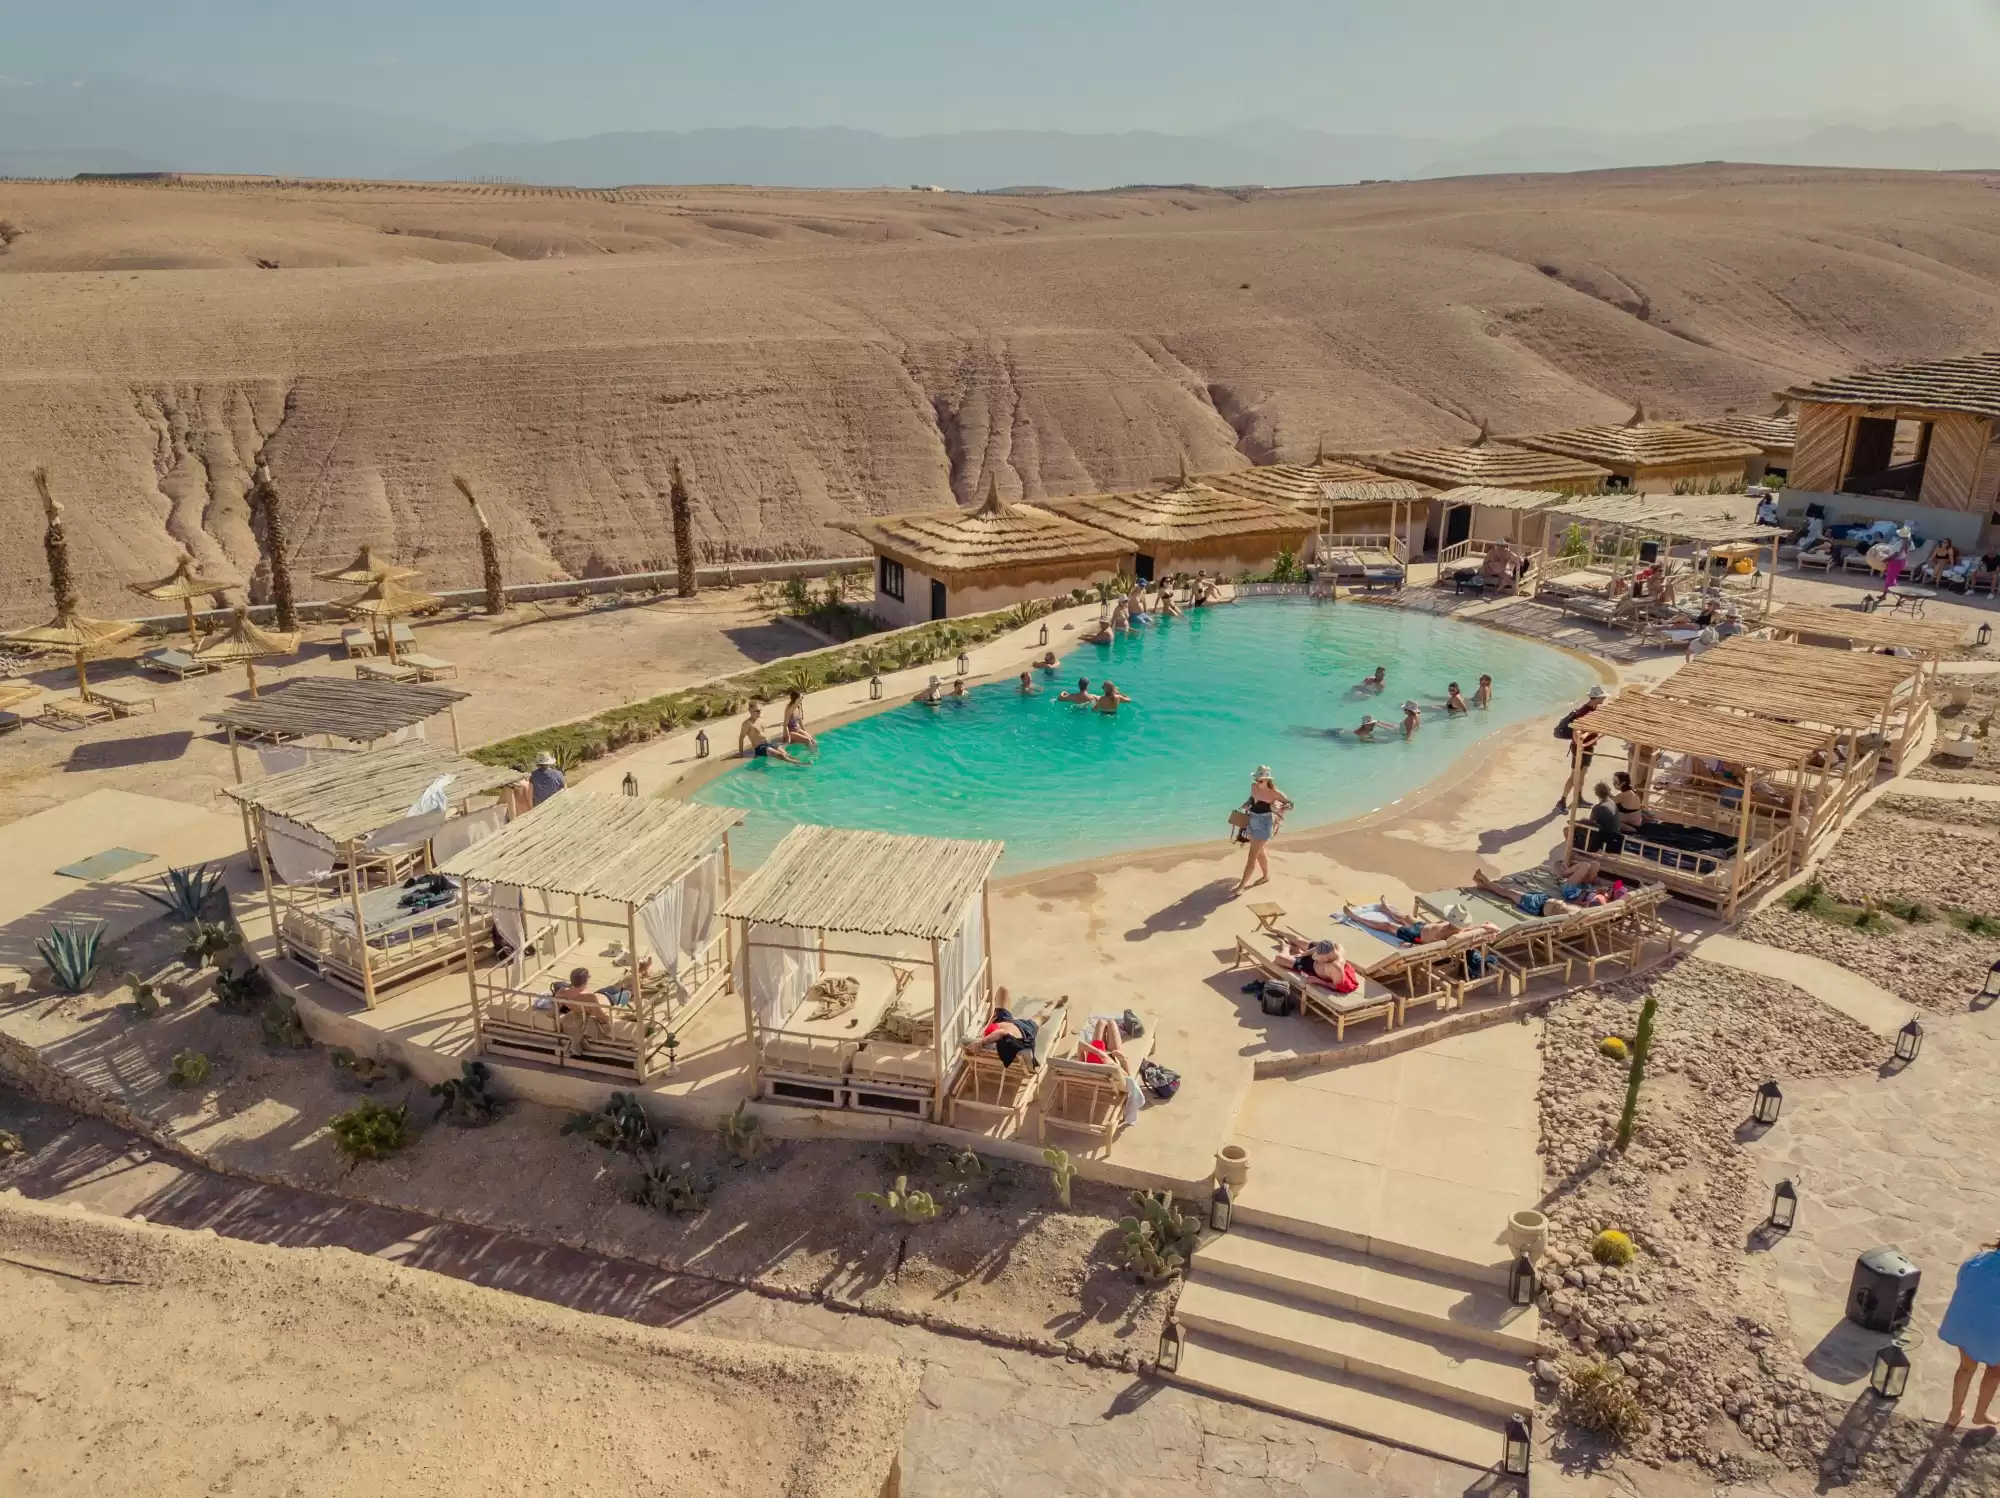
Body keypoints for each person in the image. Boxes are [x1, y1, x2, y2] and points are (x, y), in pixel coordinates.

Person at [1941, 1235, 2000, 1427]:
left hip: (1967, 1325)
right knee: (1994, 1372)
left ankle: (1954, 1414)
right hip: (1995, 1332)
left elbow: (1962, 1283)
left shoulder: (1978, 1261)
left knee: (1966, 1368)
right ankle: (1979, 1415)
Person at [1233, 765, 1293, 893]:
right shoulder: (1253, 787)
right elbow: (1251, 799)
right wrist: (1247, 803)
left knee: (1252, 855)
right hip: (1252, 820)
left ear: (1267, 781)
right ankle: (1266, 876)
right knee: (1259, 852)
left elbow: (1290, 804)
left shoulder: (1274, 793)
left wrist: (1281, 809)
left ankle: (1242, 886)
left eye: (1260, 780)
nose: (1257, 782)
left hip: (1264, 824)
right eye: (1256, 780)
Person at [1343, 899, 1496, 946]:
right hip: (1422, 926)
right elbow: (1476, 930)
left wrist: (1412, 945)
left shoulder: (1451, 934)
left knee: (1388, 926)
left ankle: (1357, 918)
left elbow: (1432, 947)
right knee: (1406, 916)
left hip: (1416, 936)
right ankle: (1386, 908)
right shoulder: (1458, 928)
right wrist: (1483, 927)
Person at [1554, 685, 1607, 811]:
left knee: (1582, 775)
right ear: (1597, 698)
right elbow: (1576, 735)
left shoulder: (1594, 709)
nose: (1604, 698)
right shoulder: (1584, 713)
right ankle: (1562, 801)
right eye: (1603, 696)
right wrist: (1588, 743)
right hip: (1581, 749)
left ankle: (1578, 798)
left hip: (1588, 748)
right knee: (1574, 776)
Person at [1272, 935, 1361, 992]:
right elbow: (1316, 950)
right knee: (1299, 940)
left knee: (1279, 959)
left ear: (1329, 955)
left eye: (1319, 955)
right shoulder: (1332, 946)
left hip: (1311, 967)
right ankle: (1276, 930)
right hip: (1314, 958)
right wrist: (1303, 954)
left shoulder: (1335, 966)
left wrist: (1319, 981)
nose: (1315, 955)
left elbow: (1337, 986)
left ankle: (1286, 947)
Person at [739, 703, 803, 762]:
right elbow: (741, 738)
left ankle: (799, 762)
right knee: (781, 755)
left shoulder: (761, 719)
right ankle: (800, 764)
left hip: (768, 743)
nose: (760, 712)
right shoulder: (747, 724)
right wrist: (741, 754)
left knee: (786, 754)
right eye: (757, 711)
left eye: (760, 710)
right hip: (759, 747)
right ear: (750, 711)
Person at [1580, 781, 1624, 855]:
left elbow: (1591, 825)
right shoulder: (1613, 804)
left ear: (1596, 794)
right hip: (1615, 840)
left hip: (1603, 842)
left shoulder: (1598, 808)